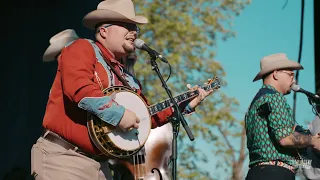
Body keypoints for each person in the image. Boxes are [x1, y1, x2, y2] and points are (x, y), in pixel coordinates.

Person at [31, 0, 213, 179]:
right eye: (127, 25)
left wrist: (184, 105)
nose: (134, 32)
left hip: (100, 166)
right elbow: (79, 89)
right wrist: (119, 114)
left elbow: (145, 118)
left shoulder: (128, 79)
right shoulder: (81, 48)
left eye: (135, 27)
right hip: (63, 158)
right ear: (103, 31)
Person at [245, 53, 320, 180]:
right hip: (275, 173)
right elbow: (284, 138)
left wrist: (306, 135)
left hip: (258, 172)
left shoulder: (257, 101)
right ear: (275, 74)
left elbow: (280, 134)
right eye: (290, 74)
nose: (294, 80)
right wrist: (313, 141)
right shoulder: (275, 97)